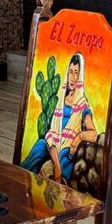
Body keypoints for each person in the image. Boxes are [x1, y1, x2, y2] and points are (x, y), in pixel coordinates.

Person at [21, 53, 100, 183]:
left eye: (76, 73)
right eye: (70, 72)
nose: (73, 77)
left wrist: (78, 137)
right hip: (53, 142)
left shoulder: (82, 103)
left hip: (67, 148)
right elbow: (52, 130)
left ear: (80, 77)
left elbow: (93, 134)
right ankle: (20, 180)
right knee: (39, 147)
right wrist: (52, 149)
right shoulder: (61, 100)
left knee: (62, 164)